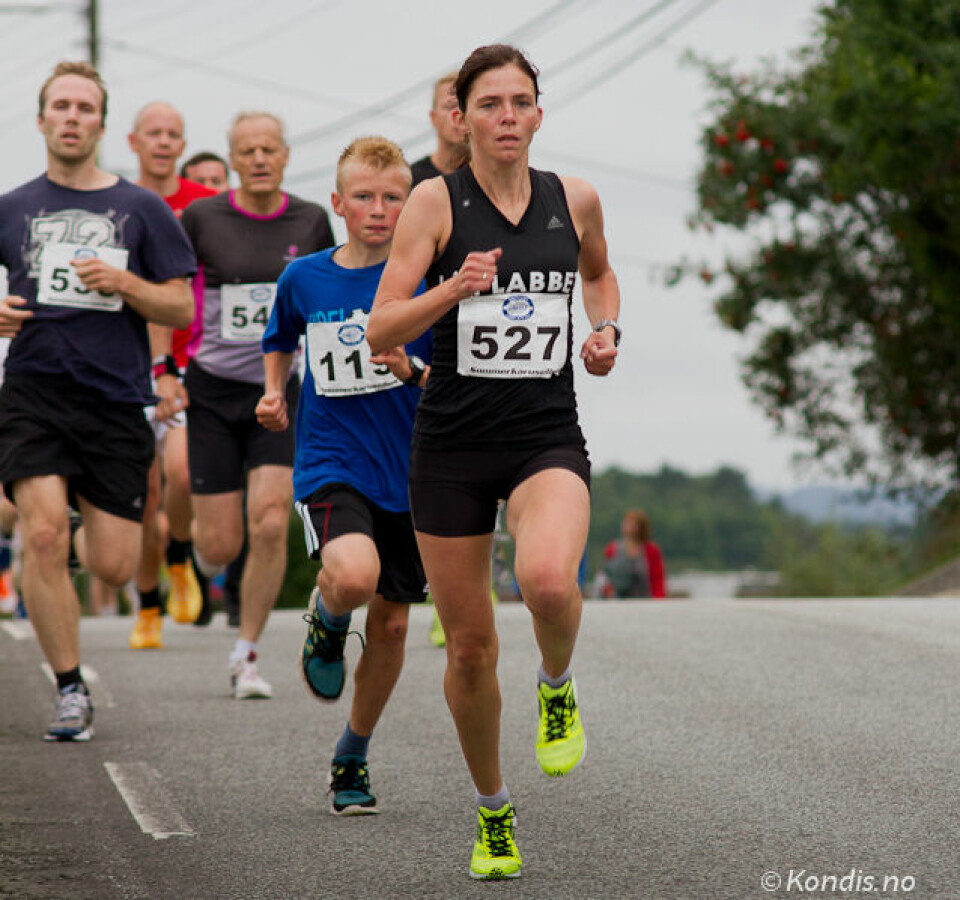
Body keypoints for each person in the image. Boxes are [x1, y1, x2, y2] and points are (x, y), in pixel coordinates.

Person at [367, 44, 621, 880]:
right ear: (460, 119)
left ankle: (556, 684)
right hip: (450, 448)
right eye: (489, 104)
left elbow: (602, 275)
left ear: (539, 114)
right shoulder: (433, 204)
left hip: (545, 435)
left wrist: (605, 330)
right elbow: (381, 331)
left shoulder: (572, 197)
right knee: (471, 649)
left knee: (548, 580)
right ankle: (494, 811)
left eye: (521, 103)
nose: (506, 117)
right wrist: (451, 290)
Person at [0, 61, 196, 741]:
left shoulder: (140, 209)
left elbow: (178, 300)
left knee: (112, 564)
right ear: (42, 119)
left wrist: (125, 282)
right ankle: (70, 687)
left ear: (102, 125)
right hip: (34, 390)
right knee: (45, 533)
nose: (73, 117)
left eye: (86, 107)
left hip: (114, 397)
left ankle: (75, 522)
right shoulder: (13, 207)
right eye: (62, 106)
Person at [258, 135, 431, 815]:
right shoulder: (305, 277)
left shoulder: (424, 281)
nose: (380, 209)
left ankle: (352, 755)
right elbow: (278, 338)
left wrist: (414, 371)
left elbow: (456, 368)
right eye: (364, 197)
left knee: (390, 627)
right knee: (354, 576)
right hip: (332, 461)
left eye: (394, 198)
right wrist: (275, 392)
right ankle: (329, 618)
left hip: (416, 470)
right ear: (338, 203)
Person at [180, 110, 334, 699]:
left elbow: (329, 291)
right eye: (247, 150)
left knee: (270, 520)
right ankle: (194, 561)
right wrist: (168, 369)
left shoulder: (312, 220)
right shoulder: (201, 218)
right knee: (218, 545)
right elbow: (175, 291)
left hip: (279, 389)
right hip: (214, 387)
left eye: (269, 148)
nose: (260, 158)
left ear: (286, 155)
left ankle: (247, 653)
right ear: (232, 159)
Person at [124, 101, 217, 648]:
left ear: (183, 145)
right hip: (126, 362)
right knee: (144, 492)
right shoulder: (117, 200)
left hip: (188, 361)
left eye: (173, 135)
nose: (163, 142)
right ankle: (148, 606)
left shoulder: (205, 206)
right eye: (153, 134)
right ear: (133, 142)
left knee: (180, 476)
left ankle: (179, 555)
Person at [410, 71, 470, 186]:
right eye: (450, 107)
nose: (458, 115)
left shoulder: (491, 177)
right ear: (433, 117)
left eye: (465, 106)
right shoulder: (411, 179)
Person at [602, 508, 666, 599]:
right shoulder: (612, 549)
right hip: (617, 601)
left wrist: (658, 601)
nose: (627, 525)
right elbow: (606, 576)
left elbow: (658, 580)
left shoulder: (651, 550)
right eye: (626, 522)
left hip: (645, 600)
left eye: (632, 523)